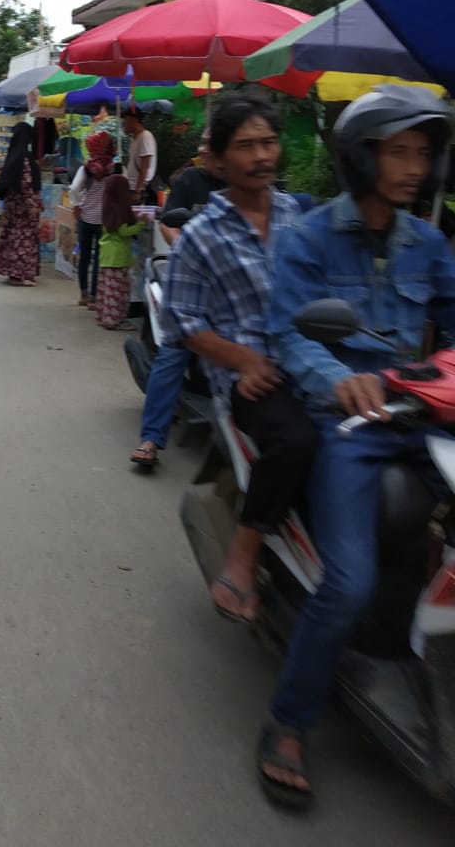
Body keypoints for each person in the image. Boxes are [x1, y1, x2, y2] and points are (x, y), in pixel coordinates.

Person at [257, 85, 455, 808]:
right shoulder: (310, 239)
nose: (412, 167)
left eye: (422, 154)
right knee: (349, 582)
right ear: (360, 156)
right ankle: (288, 720)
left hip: (428, 419)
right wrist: (342, 381)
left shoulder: (430, 245)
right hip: (358, 429)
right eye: (398, 151)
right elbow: (287, 332)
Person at [148, 92, 318, 622]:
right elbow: (181, 322)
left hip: (312, 364)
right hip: (251, 382)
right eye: (246, 146)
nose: (261, 156)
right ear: (219, 160)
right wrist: (243, 361)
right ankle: (243, 557)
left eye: (268, 143)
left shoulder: (300, 217)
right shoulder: (202, 236)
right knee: (296, 439)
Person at [129, 131, 226, 464]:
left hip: (234, 290)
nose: (201, 148)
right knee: (175, 351)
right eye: (201, 141)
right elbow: (169, 222)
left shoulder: (254, 192)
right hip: (193, 283)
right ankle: (151, 438)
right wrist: (188, 248)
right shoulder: (190, 180)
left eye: (209, 143)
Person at [0, 121, 42, 287]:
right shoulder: (24, 157)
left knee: (13, 237)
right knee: (23, 239)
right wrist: (33, 204)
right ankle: (17, 275)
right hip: (23, 206)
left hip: (12, 205)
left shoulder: (13, 155)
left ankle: (15, 272)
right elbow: (26, 183)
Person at [68, 130, 115, 308]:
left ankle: (84, 295)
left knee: (85, 257)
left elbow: (73, 188)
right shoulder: (114, 168)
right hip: (104, 220)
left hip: (85, 218)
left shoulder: (86, 169)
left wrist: (77, 205)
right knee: (98, 260)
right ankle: (95, 298)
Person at [95, 173, 143, 329]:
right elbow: (123, 231)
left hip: (106, 255)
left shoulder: (107, 206)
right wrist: (141, 225)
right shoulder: (120, 210)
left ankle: (103, 316)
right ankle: (114, 320)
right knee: (117, 292)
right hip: (118, 256)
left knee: (106, 289)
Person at [123, 107, 158, 204]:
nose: (123, 123)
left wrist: (138, 191)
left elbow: (145, 167)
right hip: (133, 187)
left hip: (139, 190)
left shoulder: (145, 136)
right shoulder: (135, 138)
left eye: (125, 120)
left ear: (134, 120)